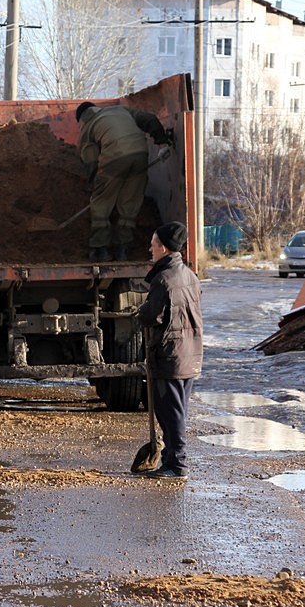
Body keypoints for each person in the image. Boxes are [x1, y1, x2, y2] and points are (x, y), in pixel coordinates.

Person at [134, 222, 203, 480]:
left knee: (170, 413)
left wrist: (141, 312)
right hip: (189, 354)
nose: (149, 249)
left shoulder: (163, 279)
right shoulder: (190, 276)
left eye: (153, 244)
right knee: (178, 410)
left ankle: (177, 464)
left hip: (170, 355)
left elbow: (153, 316)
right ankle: (171, 460)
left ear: (163, 248)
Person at [75, 101, 172, 262]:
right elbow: (149, 119)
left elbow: (90, 160)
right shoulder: (122, 110)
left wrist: (96, 185)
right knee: (130, 203)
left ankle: (101, 250)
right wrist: (162, 142)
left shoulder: (88, 126)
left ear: (81, 118)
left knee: (101, 205)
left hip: (114, 159)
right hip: (140, 156)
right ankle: (122, 251)